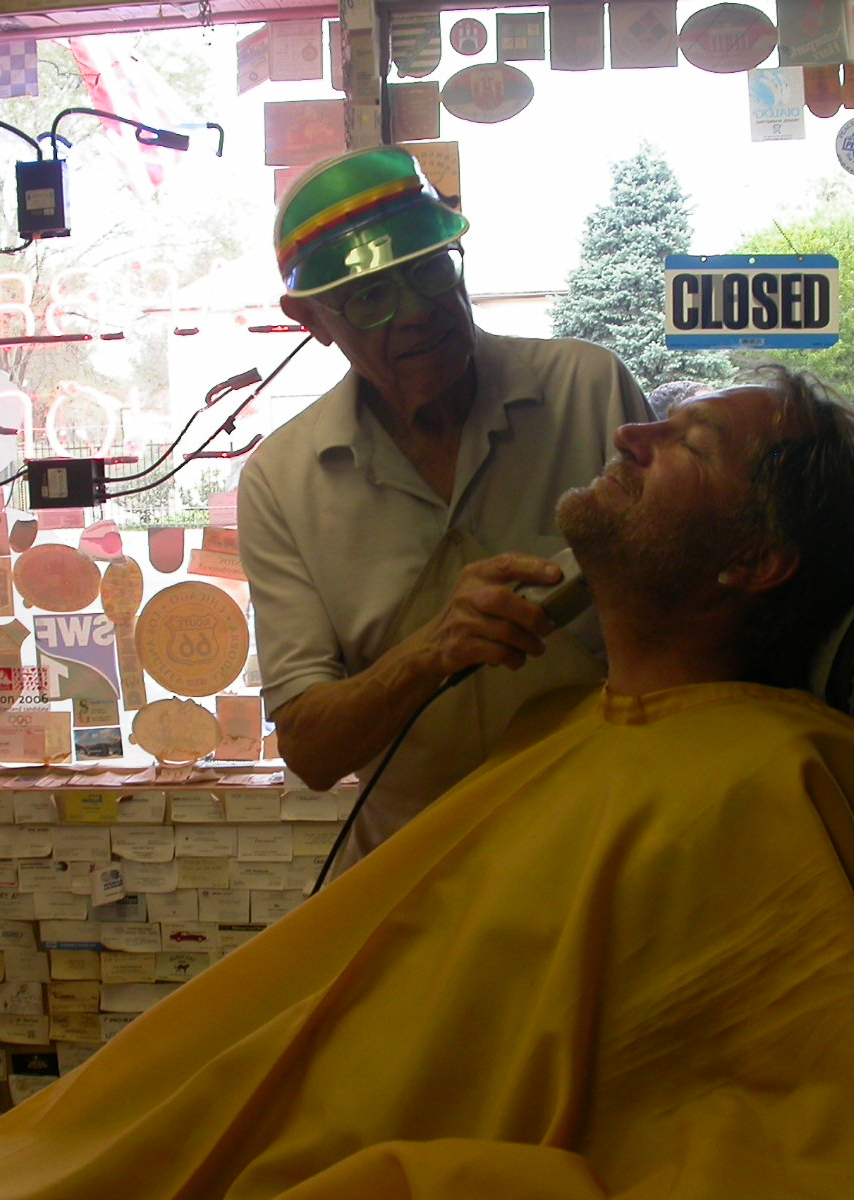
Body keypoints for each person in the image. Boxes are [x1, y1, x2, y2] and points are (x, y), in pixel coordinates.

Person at [0, 367, 854, 1200]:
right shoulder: (561, 730)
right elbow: (314, 747)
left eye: (686, 444)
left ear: (754, 561)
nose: (630, 435)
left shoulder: (775, 786)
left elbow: (772, 1156)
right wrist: (428, 651)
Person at [237, 144, 650, 871]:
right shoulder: (282, 479)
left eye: (430, 270)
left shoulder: (588, 389)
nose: (419, 312)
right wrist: (432, 650)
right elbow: (311, 751)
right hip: (417, 867)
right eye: (371, 296)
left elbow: (691, 608)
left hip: (608, 846)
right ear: (312, 319)